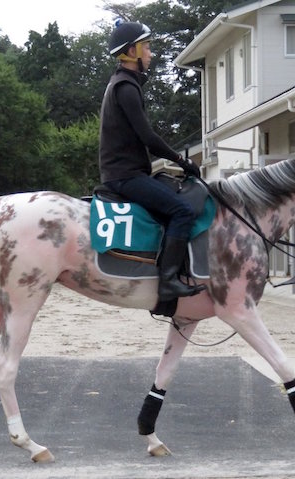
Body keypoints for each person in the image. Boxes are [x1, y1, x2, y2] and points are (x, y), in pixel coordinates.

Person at [99, 20, 206, 302]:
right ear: (132, 51)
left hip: (124, 172)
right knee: (182, 211)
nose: (150, 53)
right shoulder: (126, 87)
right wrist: (182, 162)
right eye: (146, 47)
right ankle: (169, 281)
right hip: (126, 176)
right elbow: (148, 137)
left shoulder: (121, 83)